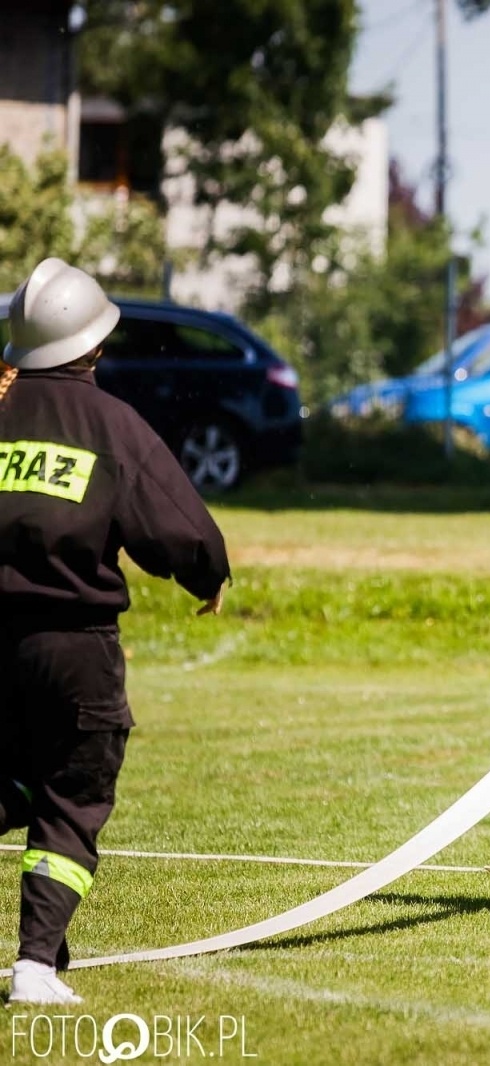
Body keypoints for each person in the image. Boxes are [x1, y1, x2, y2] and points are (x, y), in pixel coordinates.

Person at [0, 259, 230, 1004]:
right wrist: (209, 577)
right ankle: (35, 964)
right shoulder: (111, 425)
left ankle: (45, 956)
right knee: (74, 789)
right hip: (74, 647)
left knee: (14, 776)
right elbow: (177, 527)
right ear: (94, 345)